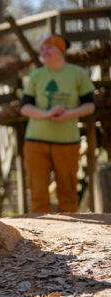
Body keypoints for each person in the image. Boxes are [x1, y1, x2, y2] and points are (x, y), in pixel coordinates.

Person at [20, 34, 95, 213]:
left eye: (49, 48)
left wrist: (69, 113)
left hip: (67, 142)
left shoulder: (77, 74)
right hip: (35, 142)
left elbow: (90, 105)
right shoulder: (37, 75)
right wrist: (47, 114)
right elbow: (24, 108)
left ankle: (70, 232)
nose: (44, 52)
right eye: (42, 49)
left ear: (61, 50)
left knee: (68, 192)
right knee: (38, 193)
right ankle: (38, 233)